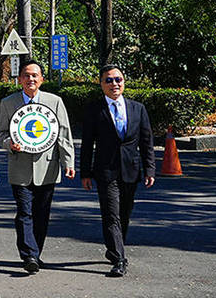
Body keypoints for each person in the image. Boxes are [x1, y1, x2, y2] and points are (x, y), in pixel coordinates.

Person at [0, 59, 74, 274]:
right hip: (19, 167)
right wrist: (8, 144)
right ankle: (29, 254)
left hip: (47, 167)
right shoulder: (8, 103)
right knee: (24, 212)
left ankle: (36, 252)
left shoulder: (55, 101)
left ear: (41, 79)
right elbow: (1, 133)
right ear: (19, 79)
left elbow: (64, 134)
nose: (30, 79)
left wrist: (68, 162)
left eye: (35, 75)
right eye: (26, 75)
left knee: (42, 214)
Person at [80, 65, 155, 277]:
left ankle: (113, 250)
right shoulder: (94, 109)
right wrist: (85, 173)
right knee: (111, 214)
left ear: (124, 82)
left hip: (131, 170)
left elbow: (147, 142)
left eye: (118, 79)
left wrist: (150, 168)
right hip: (105, 171)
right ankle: (120, 259)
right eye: (109, 80)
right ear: (101, 84)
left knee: (124, 214)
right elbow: (87, 144)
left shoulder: (137, 108)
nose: (115, 84)